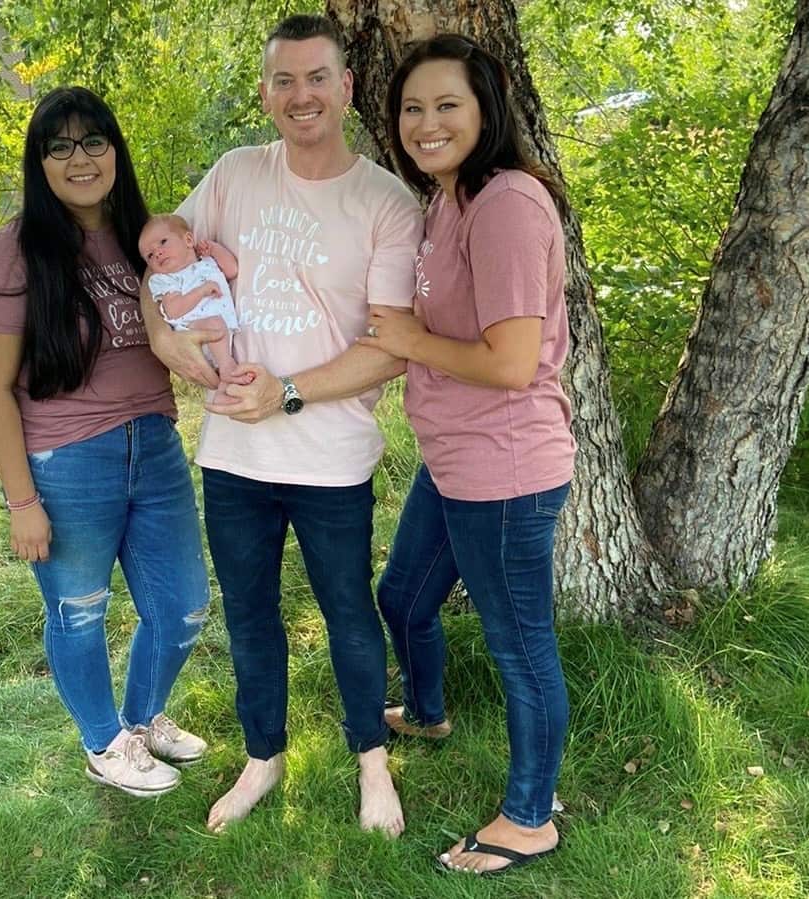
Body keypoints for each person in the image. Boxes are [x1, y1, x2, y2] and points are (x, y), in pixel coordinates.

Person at [141, 15, 423, 836]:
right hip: (232, 454)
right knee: (249, 612)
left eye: (315, 78)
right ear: (265, 93)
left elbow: (391, 347)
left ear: (344, 88)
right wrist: (167, 340)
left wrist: (287, 392)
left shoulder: (384, 201)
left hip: (331, 458)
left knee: (346, 609)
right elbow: (157, 271)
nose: (300, 95)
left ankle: (372, 761)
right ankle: (262, 756)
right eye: (283, 81)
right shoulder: (232, 175)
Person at [357, 34, 577, 874]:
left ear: (485, 109)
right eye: (411, 107)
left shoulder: (507, 203)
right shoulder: (449, 201)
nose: (425, 122)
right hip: (454, 462)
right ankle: (428, 710)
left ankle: (529, 817)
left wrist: (411, 339)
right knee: (404, 597)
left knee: (521, 647)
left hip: (505, 472)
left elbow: (512, 361)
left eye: (446, 103)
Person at [0, 86, 211, 799]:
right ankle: (104, 742)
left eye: (94, 140)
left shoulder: (144, 233)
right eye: (60, 146)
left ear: (116, 149)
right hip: (67, 458)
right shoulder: (17, 249)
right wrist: (21, 500)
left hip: (155, 443)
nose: (80, 158)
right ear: (39, 162)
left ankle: (138, 720)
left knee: (184, 606)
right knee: (79, 608)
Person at [138, 214, 245, 402]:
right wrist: (201, 291)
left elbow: (232, 270)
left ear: (188, 240)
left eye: (163, 242)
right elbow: (174, 309)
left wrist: (215, 249)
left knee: (215, 325)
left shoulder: (207, 263)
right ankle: (228, 368)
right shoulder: (165, 280)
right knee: (213, 324)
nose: (158, 253)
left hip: (221, 333)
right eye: (150, 255)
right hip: (194, 335)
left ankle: (225, 389)